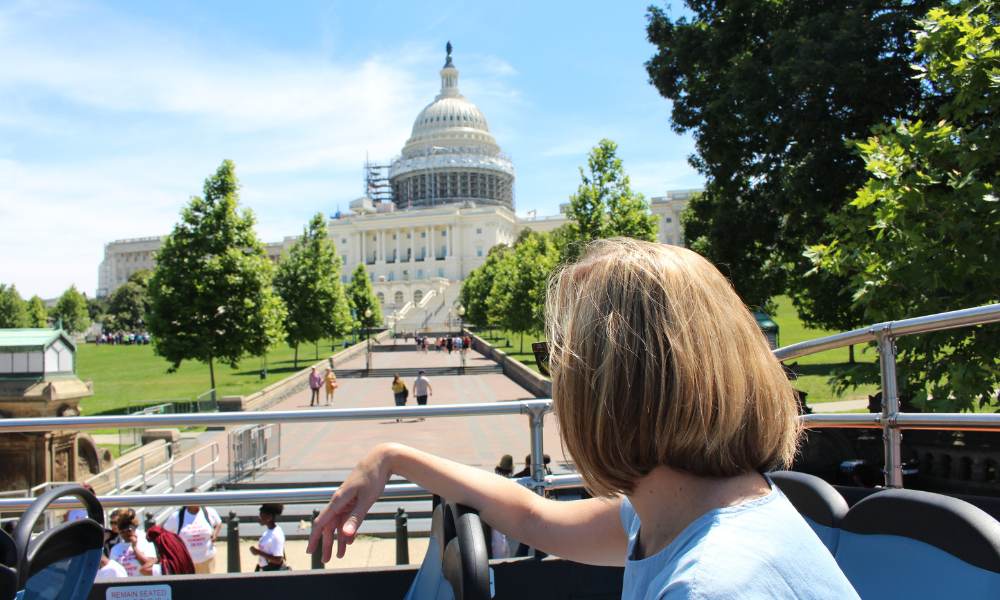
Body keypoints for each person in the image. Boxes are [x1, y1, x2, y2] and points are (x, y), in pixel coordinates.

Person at [308, 239, 859, 599]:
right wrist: (390, 457)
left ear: (613, 391)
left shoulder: (713, 585)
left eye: (560, 361)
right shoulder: (684, 510)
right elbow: (535, 517)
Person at [163, 494, 222, 574]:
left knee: (208, 585)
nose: (197, 500)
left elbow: (218, 523)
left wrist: (215, 534)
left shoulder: (209, 512)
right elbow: (165, 532)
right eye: (194, 498)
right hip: (186, 562)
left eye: (199, 497)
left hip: (207, 560)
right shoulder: (177, 516)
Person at [109, 509, 159, 577]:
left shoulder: (146, 542)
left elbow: (149, 567)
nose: (125, 534)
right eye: (122, 532)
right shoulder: (115, 549)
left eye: (128, 530)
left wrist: (135, 547)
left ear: (134, 527)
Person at [251, 504, 286, 571]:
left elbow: (278, 560)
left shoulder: (276, 534)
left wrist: (258, 552)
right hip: (265, 569)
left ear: (269, 517)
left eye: (261, 515)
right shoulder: (268, 532)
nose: (259, 518)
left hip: (273, 571)